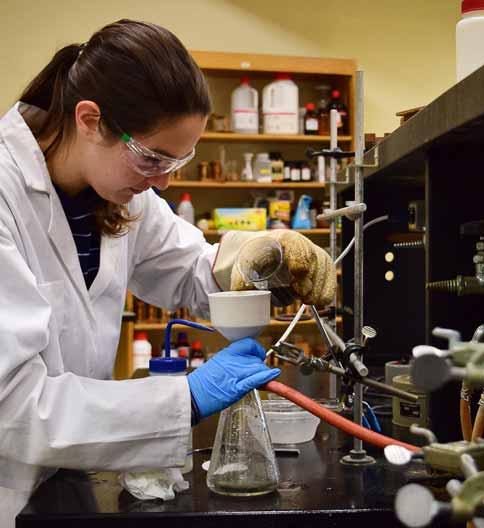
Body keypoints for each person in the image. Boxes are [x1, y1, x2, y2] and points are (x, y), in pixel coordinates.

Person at [0, 19, 336, 527]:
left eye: (178, 161)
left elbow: (190, 268)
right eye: (153, 157)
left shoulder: (122, 191)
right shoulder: (6, 195)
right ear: (89, 120)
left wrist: (259, 258)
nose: (160, 180)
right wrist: (186, 398)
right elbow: (14, 407)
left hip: (69, 473)